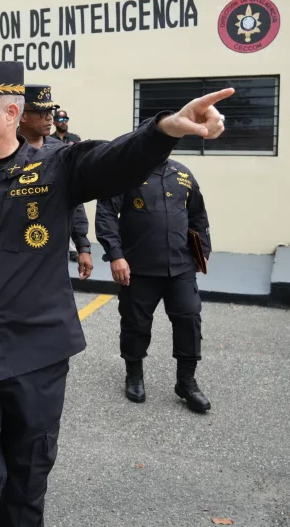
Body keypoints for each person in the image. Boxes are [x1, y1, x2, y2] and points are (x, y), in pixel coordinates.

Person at [0, 60, 231, 527]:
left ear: (13, 112)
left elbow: (115, 160)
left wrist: (164, 130)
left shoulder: (58, 166)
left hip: (37, 356)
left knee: (27, 481)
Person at [95, 156, 213, 413]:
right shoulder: (126, 171)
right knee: (135, 323)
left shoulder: (182, 173)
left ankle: (186, 382)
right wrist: (116, 255)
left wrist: (203, 249)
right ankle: (134, 373)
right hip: (139, 267)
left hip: (181, 266)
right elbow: (106, 214)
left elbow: (198, 215)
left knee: (189, 318)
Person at [18, 84, 93, 278]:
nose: (49, 117)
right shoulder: (4, 151)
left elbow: (75, 200)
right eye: (42, 112)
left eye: (50, 111)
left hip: (53, 251)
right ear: (22, 115)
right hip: (14, 250)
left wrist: (83, 245)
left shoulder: (61, 151)